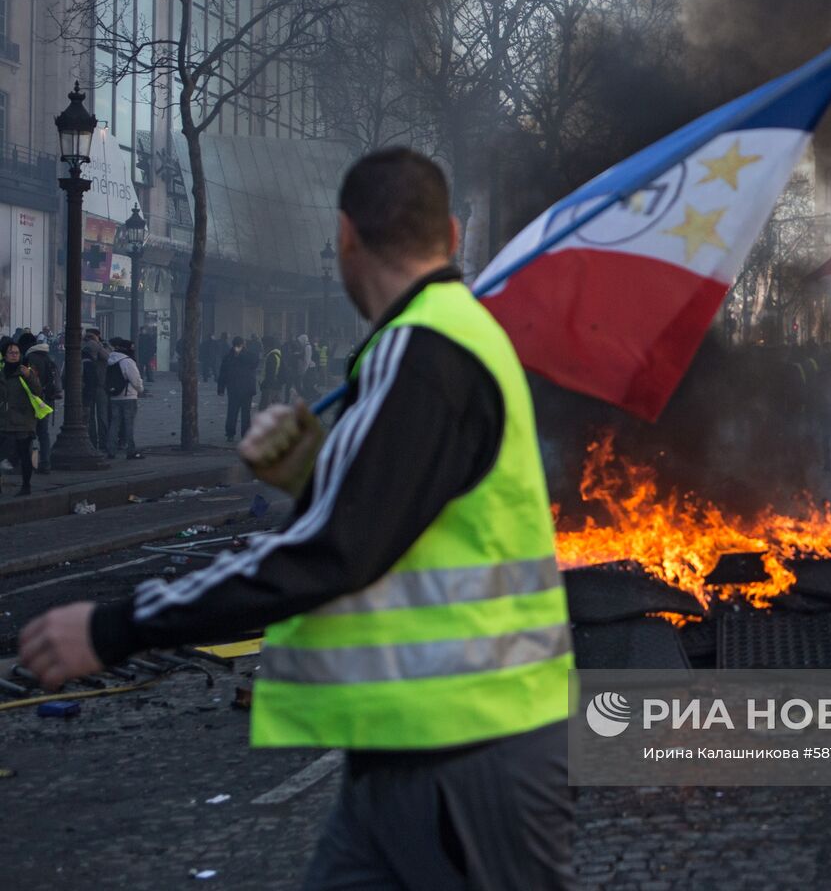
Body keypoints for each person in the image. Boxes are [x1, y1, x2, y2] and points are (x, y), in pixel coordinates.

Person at [20, 148, 575, 890]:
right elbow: (403, 521)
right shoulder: (441, 339)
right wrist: (317, 470)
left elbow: (332, 553)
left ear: (345, 236)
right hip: (424, 739)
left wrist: (116, 626)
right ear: (450, 231)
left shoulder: (423, 352)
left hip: (460, 746)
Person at [0, 338, 45, 495]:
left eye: (17, 353)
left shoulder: (25, 372)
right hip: (4, 418)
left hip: (23, 419)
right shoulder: (2, 373)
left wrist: (30, 376)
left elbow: (38, 391)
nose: (14, 355)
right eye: (11, 353)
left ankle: (26, 486)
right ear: (4, 355)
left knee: (23, 454)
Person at [25, 335, 61, 474]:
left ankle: (28, 463)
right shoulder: (48, 358)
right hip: (46, 401)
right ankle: (45, 462)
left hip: (33, 400)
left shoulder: (30, 359)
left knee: (28, 432)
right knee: (43, 433)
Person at [105, 337, 144, 460]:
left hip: (114, 396)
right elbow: (136, 380)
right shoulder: (127, 361)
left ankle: (111, 450)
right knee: (128, 424)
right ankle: (131, 451)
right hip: (128, 396)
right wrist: (140, 389)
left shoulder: (111, 360)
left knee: (114, 424)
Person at [218, 336, 259, 441]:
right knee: (240, 412)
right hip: (240, 389)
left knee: (235, 412)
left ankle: (233, 434)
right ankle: (236, 434)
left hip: (239, 389)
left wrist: (221, 388)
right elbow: (223, 373)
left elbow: (255, 363)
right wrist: (221, 388)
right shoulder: (229, 357)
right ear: (243, 344)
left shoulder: (233, 356)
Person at [82, 328, 110, 450]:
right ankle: (103, 442)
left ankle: (92, 442)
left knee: (90, 417)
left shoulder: (82, 346)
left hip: (86, 386)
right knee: (102, 415)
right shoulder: (98, 346)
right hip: (100, 385)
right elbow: (109, 358)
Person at [259, 336, 284, 408]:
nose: (262, 347)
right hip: (276, 384)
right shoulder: (277, 353)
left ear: (267, 345)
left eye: (263, 345)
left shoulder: (271, 356)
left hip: (270, 387)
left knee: (264, 408)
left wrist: (263, 385)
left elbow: (270, 374)